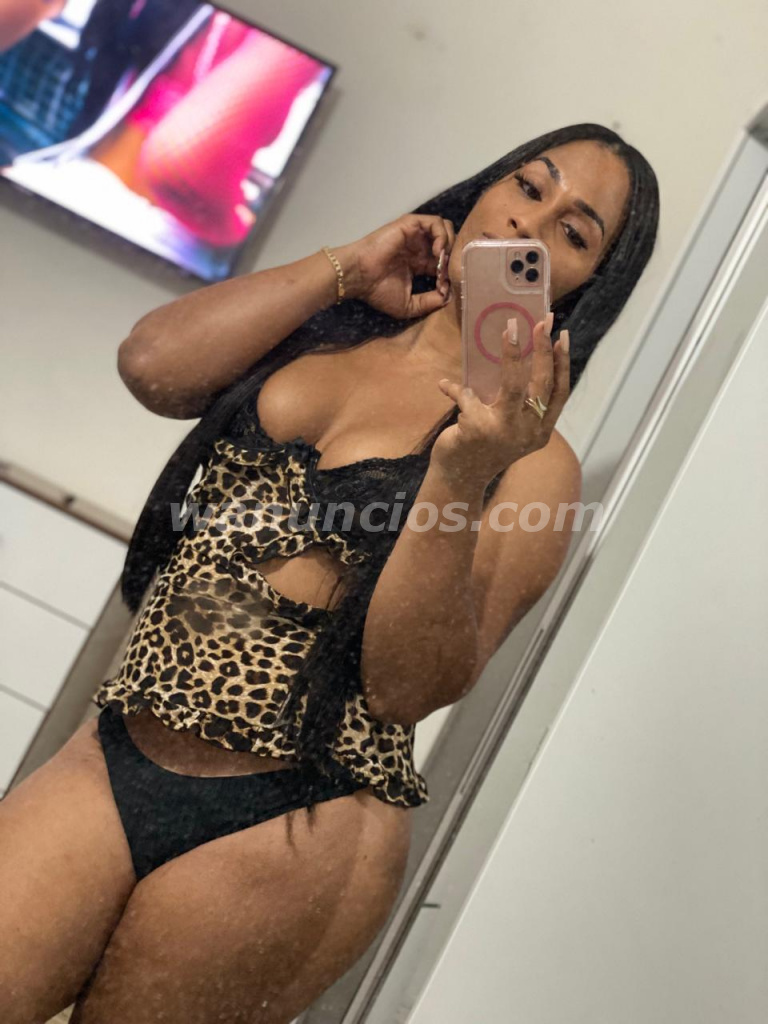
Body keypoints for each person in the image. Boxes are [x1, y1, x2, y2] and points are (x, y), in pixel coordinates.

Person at [0, 121, 659, 1024]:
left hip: (294, 820)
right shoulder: (331, 331)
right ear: (486, 187)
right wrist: (347, 266)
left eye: (574, 233)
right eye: (528, 186)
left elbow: (407, 687)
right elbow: (152, 367)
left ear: (585, 285)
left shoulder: (535, 465)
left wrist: (462, 470)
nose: (531, 224)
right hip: (118, 749)